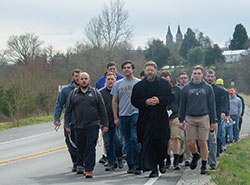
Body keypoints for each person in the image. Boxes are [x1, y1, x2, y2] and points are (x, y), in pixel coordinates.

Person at [131, 61, 175, 178]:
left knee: (162, 143)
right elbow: (134, 101)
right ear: (144, 71)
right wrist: (145, 102)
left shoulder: (165, 84)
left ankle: (162, 162)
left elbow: (171, 98)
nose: (149, 72)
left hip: (160, 118)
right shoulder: (139, 86)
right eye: (147, 70)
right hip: (146, 119)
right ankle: (153, 168)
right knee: (149, 144)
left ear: (156, 71)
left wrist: (159, 100)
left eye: (151, 70)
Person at [64, 72, 109, 178]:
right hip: (78, 125)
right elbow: (68, 111)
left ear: (89, 80)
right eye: (82, 79)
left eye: (86, 78)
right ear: (78, 80)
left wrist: (104, 124)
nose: (84, 80)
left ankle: (89, 169)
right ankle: (82, 165)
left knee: (90, 147)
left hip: (92, 125)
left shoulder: (95, 93)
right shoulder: (73, 94)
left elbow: (102, 110)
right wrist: (67, 124)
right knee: (81, 147)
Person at [179, 65, 217, 175]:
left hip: (203, 117)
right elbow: (182, 105)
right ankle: (195, 155)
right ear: (192, 74)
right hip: (190, 117)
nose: (196, 75)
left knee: (202, 141)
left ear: (202, 75)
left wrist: (213, 121)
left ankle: (204, 164)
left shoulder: (207, 88)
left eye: (199, 73)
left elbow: (211, 105)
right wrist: (181, 120)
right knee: (190, 142)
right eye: (195, 73)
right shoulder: (186, 88)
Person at [111, 60, 141, 175]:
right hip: (123, 115)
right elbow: (114, 101)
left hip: (136, 113)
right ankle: (131, 165)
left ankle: (138, 164)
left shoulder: (138, 83)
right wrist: (115, 117)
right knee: (127, 142)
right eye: (124, 68)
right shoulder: (118, 84)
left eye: (129, 67)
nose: (126, 69)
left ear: (133, 69)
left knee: (134, 139)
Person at [53, 69, 82, 173]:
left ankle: (80, 164)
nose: (78, 78)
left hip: (83, 122)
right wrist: (56, 119)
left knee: (81, 143)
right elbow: (59, 105)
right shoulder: (65, 90)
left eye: (80, 76)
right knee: (70, 143)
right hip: (69, 122)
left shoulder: (86, 90)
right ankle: (75, 161)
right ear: (73, 77)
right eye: (76, 76)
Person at [96, 61, 124, 165]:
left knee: (118, 142)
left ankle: (119, 158)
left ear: (116, 80)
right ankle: (111, 163)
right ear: (105, 81)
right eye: (108, 79)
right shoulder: (100, 93)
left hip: (118, 120)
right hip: (105, 122)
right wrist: (99, 121)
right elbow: (97, 108)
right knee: (108, 143)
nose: (110, 81)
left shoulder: (120, 91)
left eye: (112, 79)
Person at [204, 69, 228, 169]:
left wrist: (224, 112)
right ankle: (204, 158)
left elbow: (224, 102)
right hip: (202, 116)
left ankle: (213, 159)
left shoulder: (220, 90)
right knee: (203, 140)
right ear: (205, 77)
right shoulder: (202, 89)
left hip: (215, 117)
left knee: (214, 138)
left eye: (212, 76)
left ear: (214, 78)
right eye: (208, 76)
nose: (210, 78)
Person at [160, 70, 183, 170]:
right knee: (167, 139)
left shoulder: (176, 90)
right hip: (163, 117)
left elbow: (181, 103)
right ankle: (168, 159)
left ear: (170, 78)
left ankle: (176, 161)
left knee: (176, 138)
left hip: (175, 116)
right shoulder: (158, 90)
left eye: (167, 78)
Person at [177, 72, 192, 167]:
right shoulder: (176, 90)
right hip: (177, 115)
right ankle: (180, 154)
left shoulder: (190, 89)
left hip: (188, 116)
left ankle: (188, 158)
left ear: (188, 79)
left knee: (188, 139)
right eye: (181, 78)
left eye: (185, 78)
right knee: (180, 138)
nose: (183, 79)